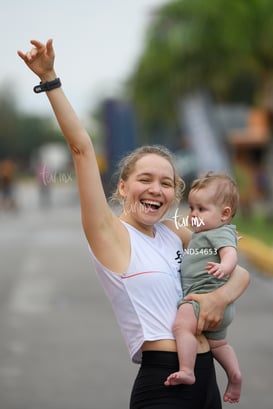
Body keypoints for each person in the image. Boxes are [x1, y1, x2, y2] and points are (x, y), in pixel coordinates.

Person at [18, 39, 250, 409]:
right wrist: (49, 79)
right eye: (144, 179)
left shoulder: (176, 231)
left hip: (207, 377)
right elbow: (81, 148)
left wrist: (221, 296)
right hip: (165, 382)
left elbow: (239, 269)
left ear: (176, 192)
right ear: (122, 186)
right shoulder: (110, 235)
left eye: (166, 183)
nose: (155, 189)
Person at [164, 172, 242, 404]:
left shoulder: (220, 232)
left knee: (181, 326)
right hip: (219, 307)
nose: (194, 214)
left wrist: (225, 267)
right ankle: (234, 374)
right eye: (192, 208)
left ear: (225, 214)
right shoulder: (203, 234)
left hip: (203, 299)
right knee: (219, 344)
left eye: (201, 209)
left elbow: (230, 253)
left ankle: (187, 370)